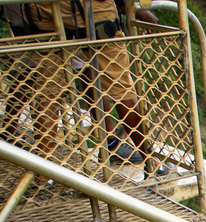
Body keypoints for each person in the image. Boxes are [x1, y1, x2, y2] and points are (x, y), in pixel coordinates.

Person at [23, 0, 170, 177]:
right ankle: (151, 161)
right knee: (122, 89)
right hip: (87, 10)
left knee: (49, 94)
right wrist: (133, 8)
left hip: (42, 9)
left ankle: (43, 174)